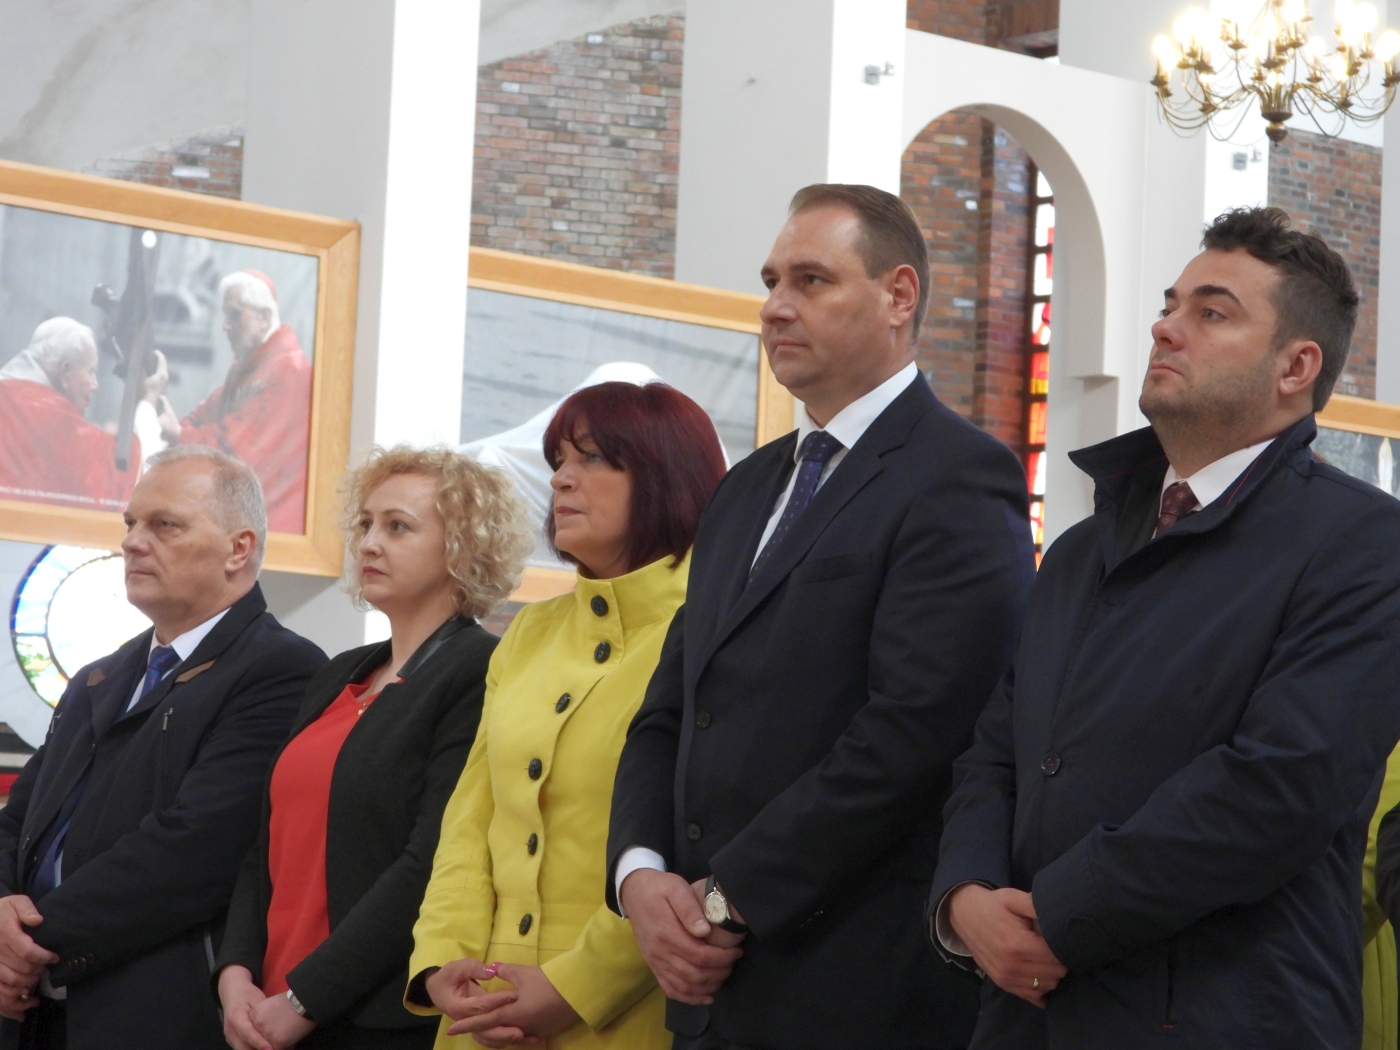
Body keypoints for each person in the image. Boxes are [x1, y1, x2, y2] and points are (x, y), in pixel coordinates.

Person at [929, 207, 1400, 1049]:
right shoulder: (1080, 552)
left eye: (1211, 312)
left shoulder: (1362, 544)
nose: (1165, 327)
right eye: (1169, 304)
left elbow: (1280, 787)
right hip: (1026, 1014)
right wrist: (965, 895)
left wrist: (1057, 914)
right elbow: (997, 749)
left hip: (1217, 1014)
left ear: (1296, 366)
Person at [606, 184, 1034, 1050]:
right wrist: (640, 875)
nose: (775, 307)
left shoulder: (958, 475)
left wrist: (727, 897)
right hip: (706, 982)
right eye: (771, 281)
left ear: (899, 295)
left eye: (811, 280)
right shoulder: (745, 489)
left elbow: (916, 730)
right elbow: (673, 707)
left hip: (850, 976)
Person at [406, 381, 727, 1049]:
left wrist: (575, 987)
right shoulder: (529, 631)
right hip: (481, 1012)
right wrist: (442, 961)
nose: (561, 479)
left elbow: (702, 847)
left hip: (624, 1012)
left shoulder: (719, 632)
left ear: (668, 476)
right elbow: (470, 822)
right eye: (558, 461)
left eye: (593, 458)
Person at [0, 445, 327, 1050]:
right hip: (33, 1011)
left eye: (164, 524)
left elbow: (196, 847)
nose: (132, 542)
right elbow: (19, 819)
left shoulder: (284, 671)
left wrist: (30, 943)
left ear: (239, 548)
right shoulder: (100, 676)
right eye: (131, 523)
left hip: (148, 1008)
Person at [215, 446, 534, 1050]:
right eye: (365, 524)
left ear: (463, 547)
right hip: (265, 1002)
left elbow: (427, 862)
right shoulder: (339, 672)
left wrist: (306, 999)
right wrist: (234, 975)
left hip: (364, 1014)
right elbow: (266, 844)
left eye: (397, 527)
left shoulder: (478, 670)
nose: (368, 544)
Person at [161, 270, 313, 534]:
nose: (225, 325)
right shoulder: (250, 365)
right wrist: (177, 426)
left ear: (264, 317)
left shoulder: (289, 370)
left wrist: (179, 435)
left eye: (234, 314)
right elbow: (206, 412)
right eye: (225, 315)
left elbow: (238, 447)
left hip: (273, 525)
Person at [0, 317, 141, 511]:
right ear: (65, 371)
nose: (95, 385)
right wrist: (147, 406)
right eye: (91, 371)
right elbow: (106, 473)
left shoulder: (10, 396)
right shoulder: (47, 413)